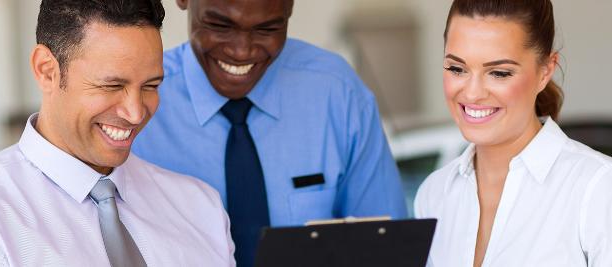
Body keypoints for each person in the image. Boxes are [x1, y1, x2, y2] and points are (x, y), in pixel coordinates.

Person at [0, 0, 234, 266]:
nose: (135, 113)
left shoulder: (199, 207)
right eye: (111, 85)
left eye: (151, 86)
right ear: (47, 71)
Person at [132, 0, 408, 265]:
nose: (242, 52)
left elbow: (386, 247)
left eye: (267, 29)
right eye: (220, 26)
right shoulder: (135, 107)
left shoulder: (337, 93)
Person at [414, 0, 612, 266]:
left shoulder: (600, 188)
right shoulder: (434, 194)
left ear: (545, 71)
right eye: (457, 69)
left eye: (499, 73)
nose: (473, 92)